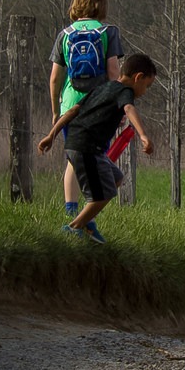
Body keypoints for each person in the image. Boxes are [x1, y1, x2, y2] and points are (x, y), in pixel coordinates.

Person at [37, 52, 157, 242]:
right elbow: (128, 108)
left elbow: (72, 110)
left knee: (116, 177)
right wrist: (143, 135)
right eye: (147, 85)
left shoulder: (103, 88)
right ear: (138, 77)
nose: (145, 90)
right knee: (105, 193)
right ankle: (74, 227)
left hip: (79, 144)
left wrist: (52, 134)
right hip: (86, 147)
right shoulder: (125, 92)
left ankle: (87, 220)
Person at [46, 0, 124, 240]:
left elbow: (56, 77)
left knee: (73, 156)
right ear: (100, 6)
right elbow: (113, 70)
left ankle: (72, 211)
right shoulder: (108, 32)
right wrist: (118, 102)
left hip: (70, 102)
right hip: (98, 105)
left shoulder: (65, 34)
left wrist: (56, 110)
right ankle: (85, 220)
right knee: (97, 155)